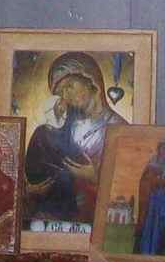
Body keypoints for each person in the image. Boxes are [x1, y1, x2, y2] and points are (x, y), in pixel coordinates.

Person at [23, 52, 129, 233]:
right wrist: (32, 190)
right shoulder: (60, 130)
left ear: (91, 81)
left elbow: (127, 185)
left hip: (95, 223)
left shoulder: (119, 129)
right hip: (58, 216)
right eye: (60, 93)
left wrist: (95, 178)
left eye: (69, 86)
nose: (66, 95)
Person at [134, 139, 165, 255]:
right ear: (159, 148)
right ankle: (146, 250)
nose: (164, 150)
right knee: (149, 223)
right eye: (162, 147)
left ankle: (157, 249)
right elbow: (146, 179)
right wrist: (154, 180)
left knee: (162, 222)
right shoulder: (153, 161)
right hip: (153, 197)